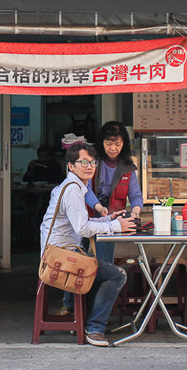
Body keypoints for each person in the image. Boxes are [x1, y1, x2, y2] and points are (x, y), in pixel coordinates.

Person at [40, 142, 136, 346]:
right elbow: (83, 229)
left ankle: (85, 321)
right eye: (84, 162)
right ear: (71, 166)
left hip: (59, 253)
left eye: (93, 162)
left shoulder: (73, 186)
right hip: (59, 258)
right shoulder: (73, 191)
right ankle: (94, 328)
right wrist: (115, 226)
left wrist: (110, 220)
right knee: (116, 275)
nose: (90, 166)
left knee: (99, 268)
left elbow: (83, 223)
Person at [85, 122, 143, 264]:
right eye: (108, 143)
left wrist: (135, 212)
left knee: (104, 262)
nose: (113, 148)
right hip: (87, 217)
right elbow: (86, 189)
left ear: (124, 144)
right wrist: (98, 207)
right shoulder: (92, 161)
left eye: (117, 144)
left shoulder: (127, 166)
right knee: (79, 259)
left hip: (110, 221)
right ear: (101, 143)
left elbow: (135, 195)